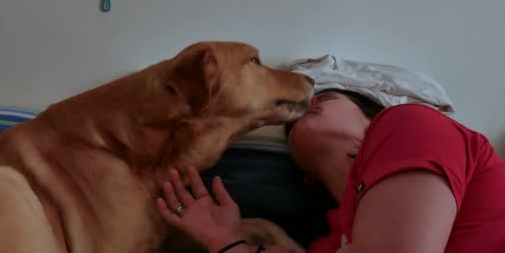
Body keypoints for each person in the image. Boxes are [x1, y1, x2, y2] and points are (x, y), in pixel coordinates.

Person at [156, 88, 505, 252]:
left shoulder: (409, 124)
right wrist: (226, 242)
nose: (308, 104)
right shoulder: (325, 243)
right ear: (306, 175)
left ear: (368, 117)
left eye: (324, 98)